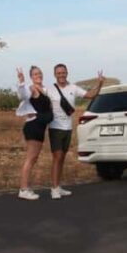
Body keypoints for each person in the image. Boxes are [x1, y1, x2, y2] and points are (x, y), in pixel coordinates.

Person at [47, 63, 105, 199]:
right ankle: (54, 188)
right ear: (55, 74)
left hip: (68, 127)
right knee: (57, 157)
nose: (61, 75)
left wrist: (100, 83)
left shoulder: (73, 88)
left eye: (63, 72)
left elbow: (90, 95)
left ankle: (58, 186)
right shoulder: (49, 89)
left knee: (62, 158)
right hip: (55, 127)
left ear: (67, 73)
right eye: (59, 73)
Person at [15, 66, 53, 201]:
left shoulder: (43, 90)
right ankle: (23, 189)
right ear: (31, 76)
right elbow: (23, 95)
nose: (38, 75)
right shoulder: (32, 88)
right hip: (34, 126)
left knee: (34, 158)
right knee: (30, 158)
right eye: (35, 74)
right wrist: (21, 82)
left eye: (40, 73)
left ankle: (25, 188)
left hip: (40, 127)